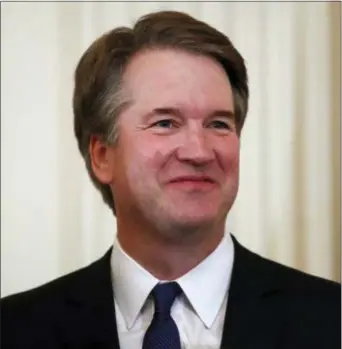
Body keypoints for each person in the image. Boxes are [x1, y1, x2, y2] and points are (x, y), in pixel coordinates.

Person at [1, 10, 340, 349]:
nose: (199, 152)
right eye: (165, 123)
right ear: (102, 155)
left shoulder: (330, 319)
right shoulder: (14, 330)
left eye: (219, 124)